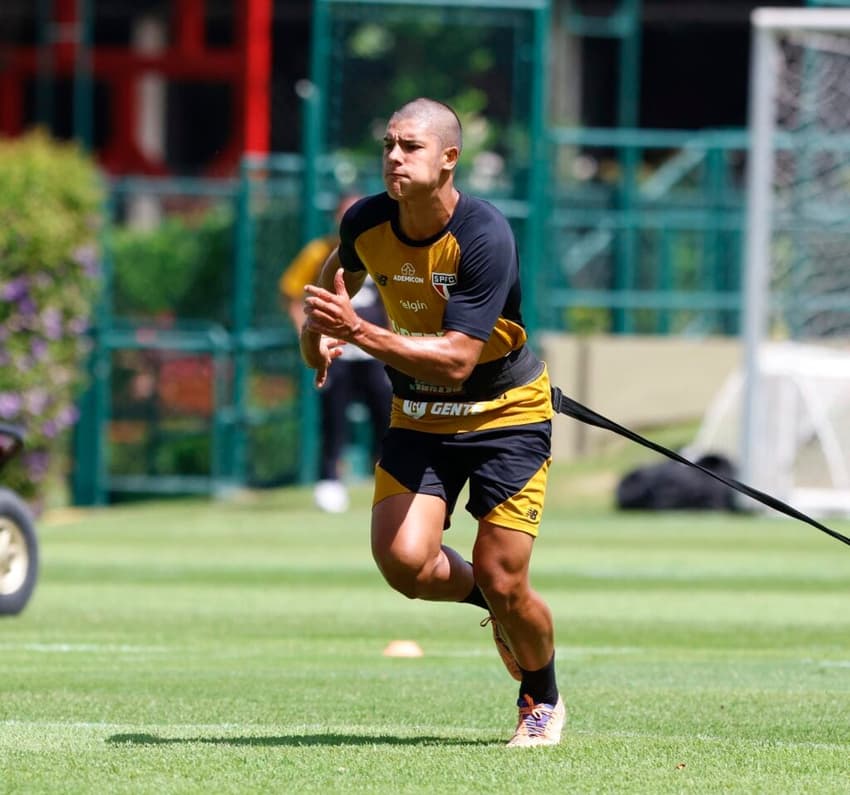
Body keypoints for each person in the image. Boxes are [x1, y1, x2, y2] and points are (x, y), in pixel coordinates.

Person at [299, 98, 564, 747]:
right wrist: (319, 334)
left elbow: (455, 359)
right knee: (403, 563)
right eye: (388, 144)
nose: (393, 156)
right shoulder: (366, 220)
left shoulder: (483, 235)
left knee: (505, 574)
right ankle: (496, 610)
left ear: (449, 158)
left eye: (409, 146)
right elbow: (338, 271)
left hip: (506, 414)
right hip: (418, 415)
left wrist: (358, 330)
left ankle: (542, 695)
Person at [280, 195, 391, 512]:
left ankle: (388, 480)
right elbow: (292, 294)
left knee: (387, 417)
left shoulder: (385, 251)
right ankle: (329, 480)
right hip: (337, 353)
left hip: (375, 351)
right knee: (333, 419)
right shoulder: (320, 252)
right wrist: (310, 336)